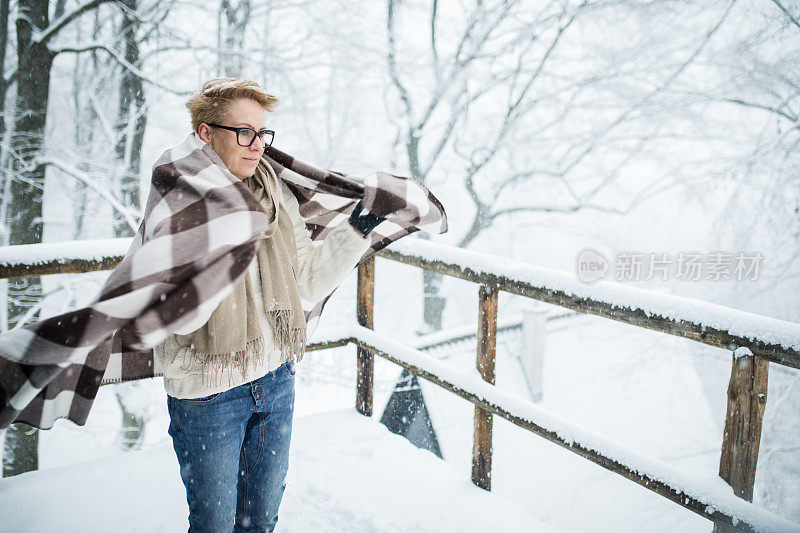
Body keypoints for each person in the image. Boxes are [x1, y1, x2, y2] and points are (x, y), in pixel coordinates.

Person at [158, 78, 385, 533]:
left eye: (262, 133)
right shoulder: (177, 200)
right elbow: (179, 313)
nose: (257, 144)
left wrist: (359, 228)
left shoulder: (274, 193)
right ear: (206, 133)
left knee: (259, 523)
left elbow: (308, 281)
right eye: (244, 132)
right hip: (209, 394)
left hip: (275, 378)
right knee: (214, 527)